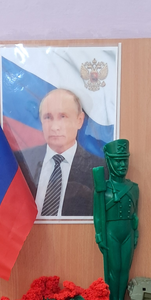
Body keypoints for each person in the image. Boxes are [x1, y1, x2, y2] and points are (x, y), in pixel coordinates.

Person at [14, 88, 105, 217]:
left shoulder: (100, 169)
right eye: (48, 117)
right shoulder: (21, 162)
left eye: (63, 117)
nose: (55, 127)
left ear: (79, 120)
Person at [93, 138, 139, 300]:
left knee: (125, 268)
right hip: (110, 232)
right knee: (115, 268)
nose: (122, 165)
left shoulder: (134, 188)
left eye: (125, 160)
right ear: (109, 161)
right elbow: (98, 215)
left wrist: (136, 232)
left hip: (128, 232)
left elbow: (135, 214)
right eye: (117, 161)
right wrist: (99, 235)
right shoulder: (102, 190)